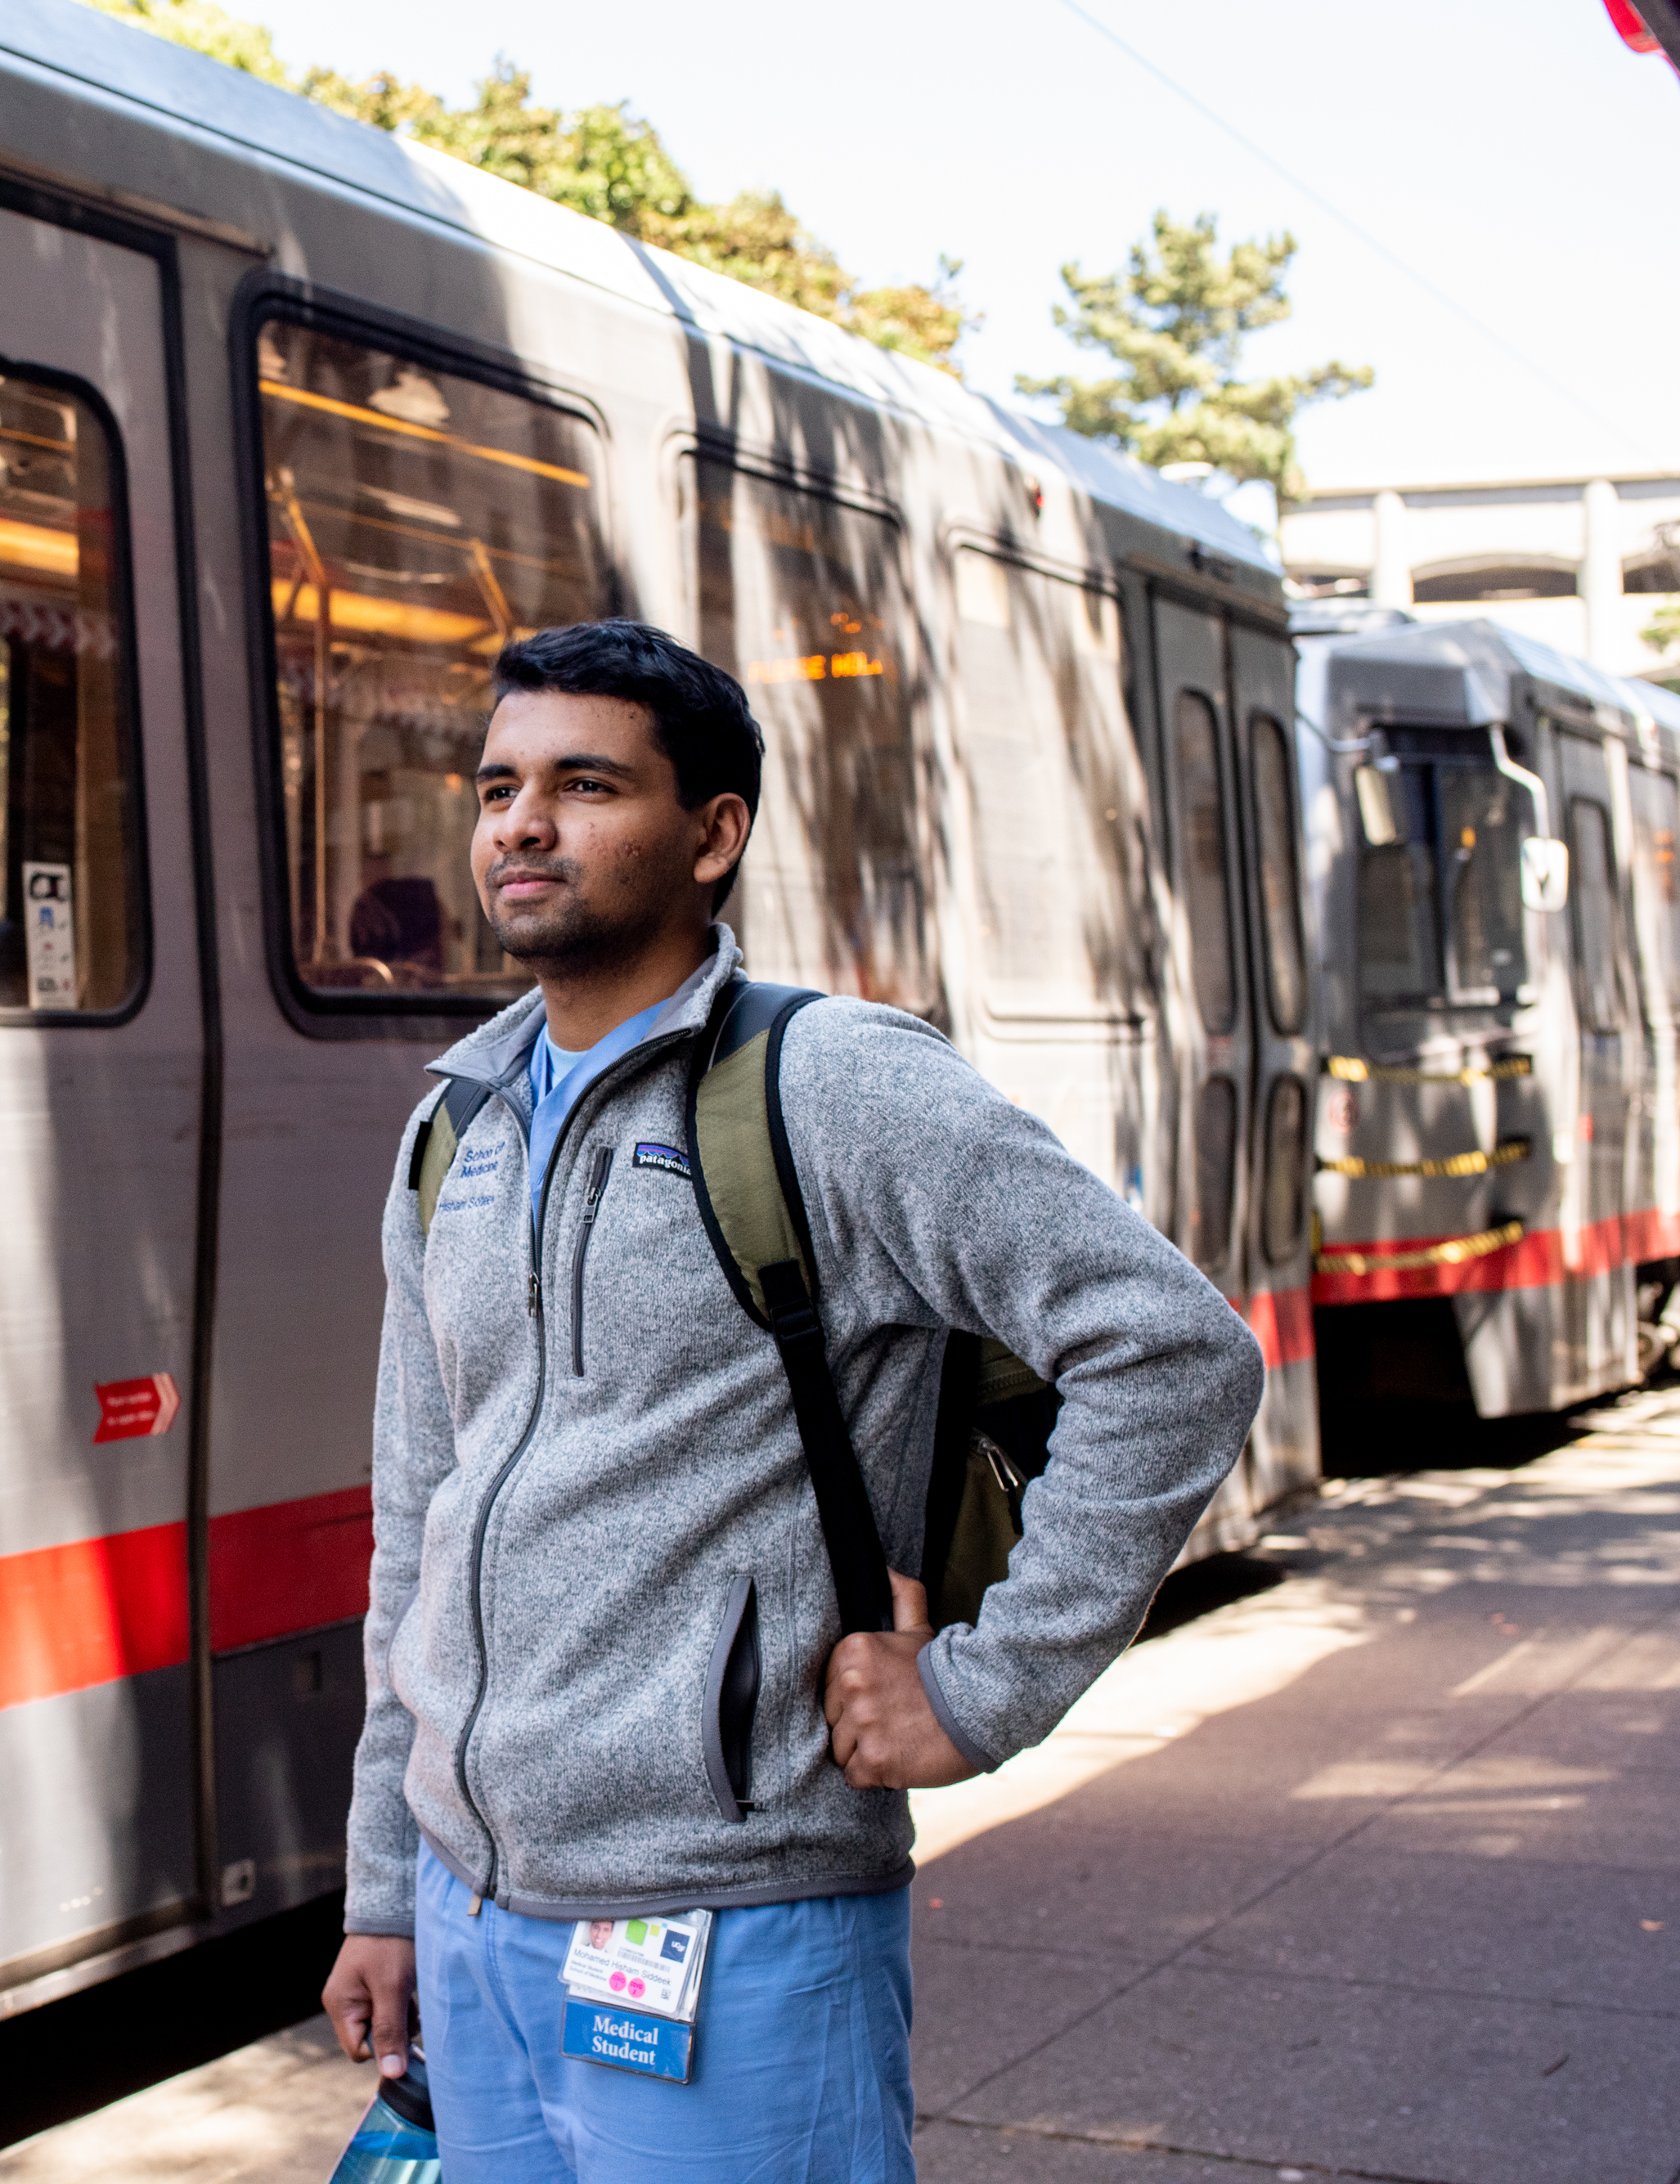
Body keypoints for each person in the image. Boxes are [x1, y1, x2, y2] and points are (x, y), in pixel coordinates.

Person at [319, 619, 1265, 2182]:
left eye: (584, 784)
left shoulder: (831, 1084)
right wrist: (382, 1883)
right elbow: (416, 1529)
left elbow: (1173, 1351)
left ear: (713, 836)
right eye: (497, 788)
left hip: (733, 1920)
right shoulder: (456, 1128)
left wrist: (982, 1690)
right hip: (468, 1920)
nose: (521, 825)